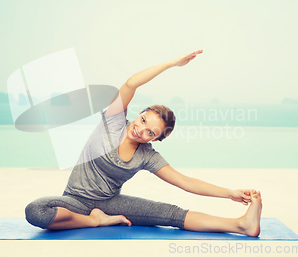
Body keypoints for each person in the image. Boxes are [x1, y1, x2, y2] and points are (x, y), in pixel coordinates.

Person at [25, 49, 262, 237]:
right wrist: (170, 64)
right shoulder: (113, 121)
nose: (140, 130)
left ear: (156, 139)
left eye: (150, 132)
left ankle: (241, 225)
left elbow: (185, 182)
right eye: (142, 120)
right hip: (73, 200)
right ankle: (94, 221)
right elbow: (130, 84)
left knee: (171, 214)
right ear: (139, 113)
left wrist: (229, 193)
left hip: (111, 203)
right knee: (36, 211)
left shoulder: (147, 156)